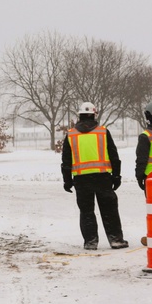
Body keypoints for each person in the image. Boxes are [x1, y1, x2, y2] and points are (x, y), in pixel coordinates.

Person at [61, 102, 128, 250]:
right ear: (94, 114)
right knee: (109, 211)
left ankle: (90, 242)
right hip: (102, 178)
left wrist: (67, 180)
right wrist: (116, 176)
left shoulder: (71, 134)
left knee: (86, 212)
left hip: (81, 180)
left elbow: (66, 160)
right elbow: (113, 156)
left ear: (79, 115)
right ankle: (116, 240)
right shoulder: (103, 132)